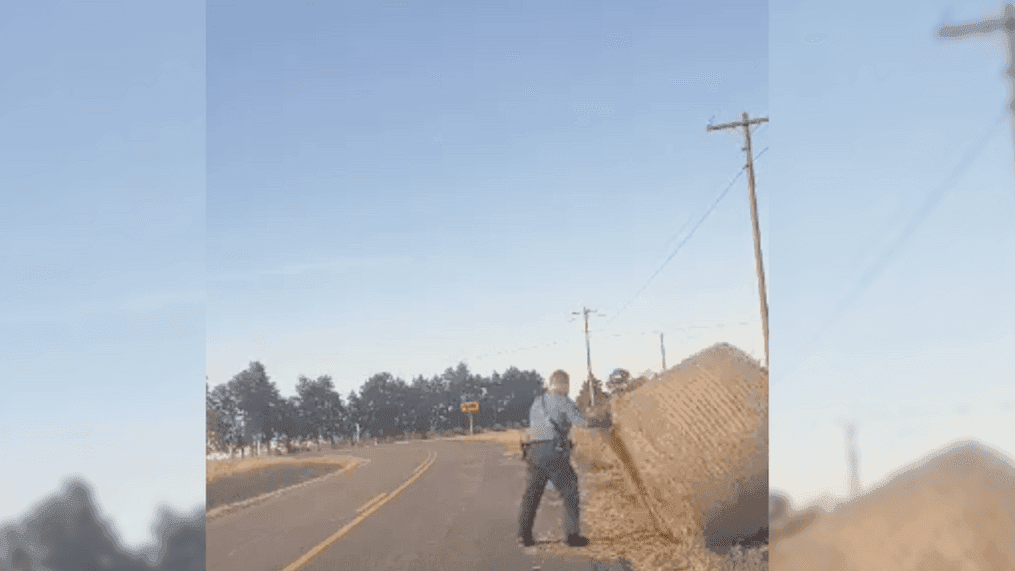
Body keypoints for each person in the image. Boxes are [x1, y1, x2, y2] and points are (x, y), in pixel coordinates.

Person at [518, 369, 608, 548]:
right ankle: (572, 536)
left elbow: (535, 427)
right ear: (564, 384)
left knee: (532, 494)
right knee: (570, 490)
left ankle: (524, 536)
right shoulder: (563, 401)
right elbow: (581, 422)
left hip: (533, 452)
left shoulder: (538, 402)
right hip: (553, 450)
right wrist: (603, 421)